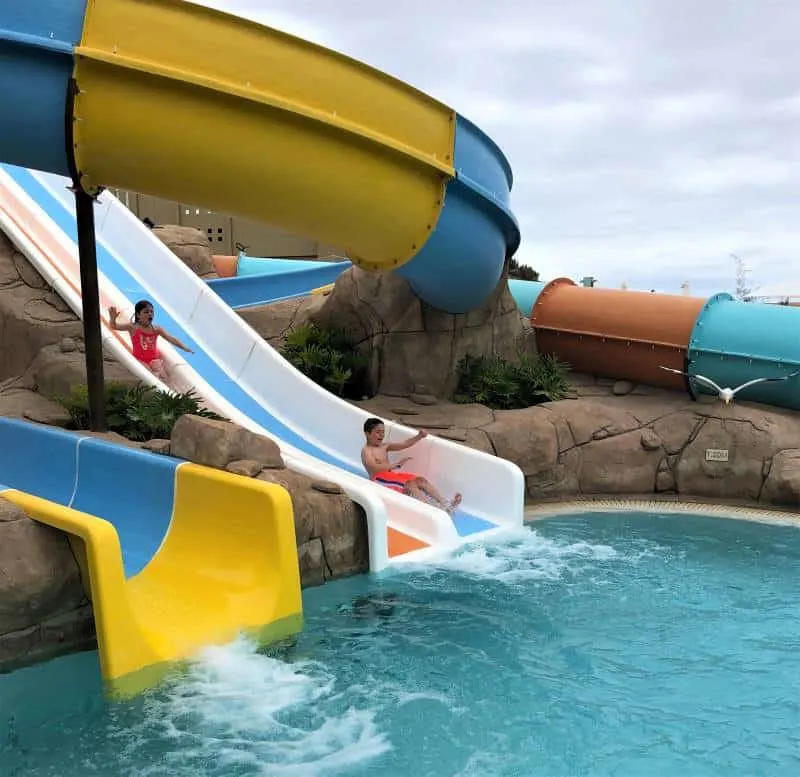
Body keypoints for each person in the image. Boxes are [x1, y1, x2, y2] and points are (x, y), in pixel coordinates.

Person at [361, 417, 462, 514]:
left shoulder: (384, 446)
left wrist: (419, 436)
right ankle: (431, 511)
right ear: (367, 433)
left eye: (383, 432)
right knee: (410, 484)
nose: (381, 435)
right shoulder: (366, 451)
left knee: (420, 480)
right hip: (378, 480)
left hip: (391, 477)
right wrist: (394, 466)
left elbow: (405, 444)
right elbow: (373, 467)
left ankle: (446, 505)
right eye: (378, 432)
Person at [108, 300, 193, 385]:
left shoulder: (156, 329)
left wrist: (184, 347)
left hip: (155, 359)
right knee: (150, 378)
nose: (150, 314)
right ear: (138, 315)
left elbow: (170, 338)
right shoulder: (133, 327)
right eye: (146, 312)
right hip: (140, 359)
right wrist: (112, 318)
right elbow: (114, 326)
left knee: (165, 379)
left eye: (151, 311)